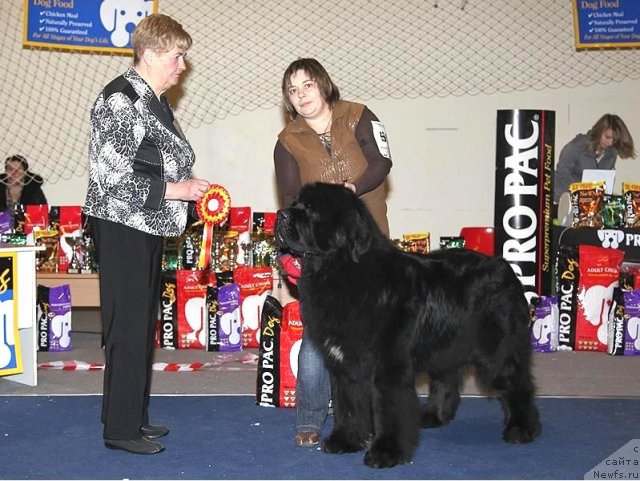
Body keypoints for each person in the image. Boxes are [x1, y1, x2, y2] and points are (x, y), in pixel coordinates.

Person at [83, 14, 210, 455]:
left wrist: (184, 189)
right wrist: (179, 189)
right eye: (177, 56)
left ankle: (129, 416)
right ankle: (120, 430)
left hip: (146, 225)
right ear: (152, 53)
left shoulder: (152, 99)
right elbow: (112, 178)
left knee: (139, 326)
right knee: (128, 328)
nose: (182, 65)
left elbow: (155, 162)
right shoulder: (122, 99)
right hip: (122, 225)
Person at [273, 58, 392, 447]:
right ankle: (309, 418)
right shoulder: (287, 142)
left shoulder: (359, 116)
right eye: (293, 90)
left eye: (306, 85)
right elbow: (290, 202)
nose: (301, 95)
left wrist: (352, 189)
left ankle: (371, 417)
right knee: (316, 339)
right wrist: (288, 249)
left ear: (323, 84)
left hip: (370, 250)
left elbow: (382, 162)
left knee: (374, 339)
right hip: (321, 257)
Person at [554, 114, 635, 207]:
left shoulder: (611, 154)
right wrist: (566, 202)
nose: (610, 143)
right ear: (599, 131)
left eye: (614, 140)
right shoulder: (577, 146)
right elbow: (561, 176)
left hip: (592, 205)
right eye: (607, 137)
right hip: (568, 202)